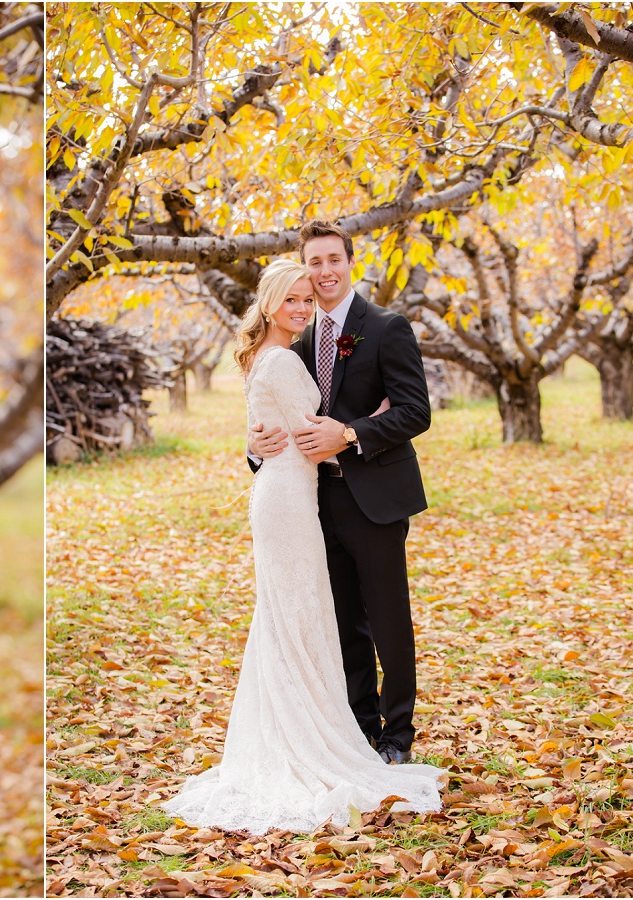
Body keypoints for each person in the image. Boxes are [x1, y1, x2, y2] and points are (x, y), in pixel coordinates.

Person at [163, 259, 443, 834]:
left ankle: (384, 734)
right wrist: (358, 422)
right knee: (306, 618)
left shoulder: (361, 333)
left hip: (320, 498)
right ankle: (322, 734)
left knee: (322, 617)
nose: (302, 304)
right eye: (292, 295)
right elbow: (304, 431)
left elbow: (400, 412)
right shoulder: (289, 355)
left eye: (307, 296)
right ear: (268, 302)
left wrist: (361, 428)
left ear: (343, 267)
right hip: (293, 501)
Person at [248, 220, 433, 765]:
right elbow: (274, 412)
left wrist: (350, 432)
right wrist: (256, 444)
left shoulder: (385, 326)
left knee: (388, 620)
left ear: (349, 261)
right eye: (314, 263)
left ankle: (397, 735)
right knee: (340, 619)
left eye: (333, 260)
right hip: (311, 501)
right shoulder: (296, 332)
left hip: (372, 496)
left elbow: (415, 410)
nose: (324, 272)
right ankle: (358, 725)